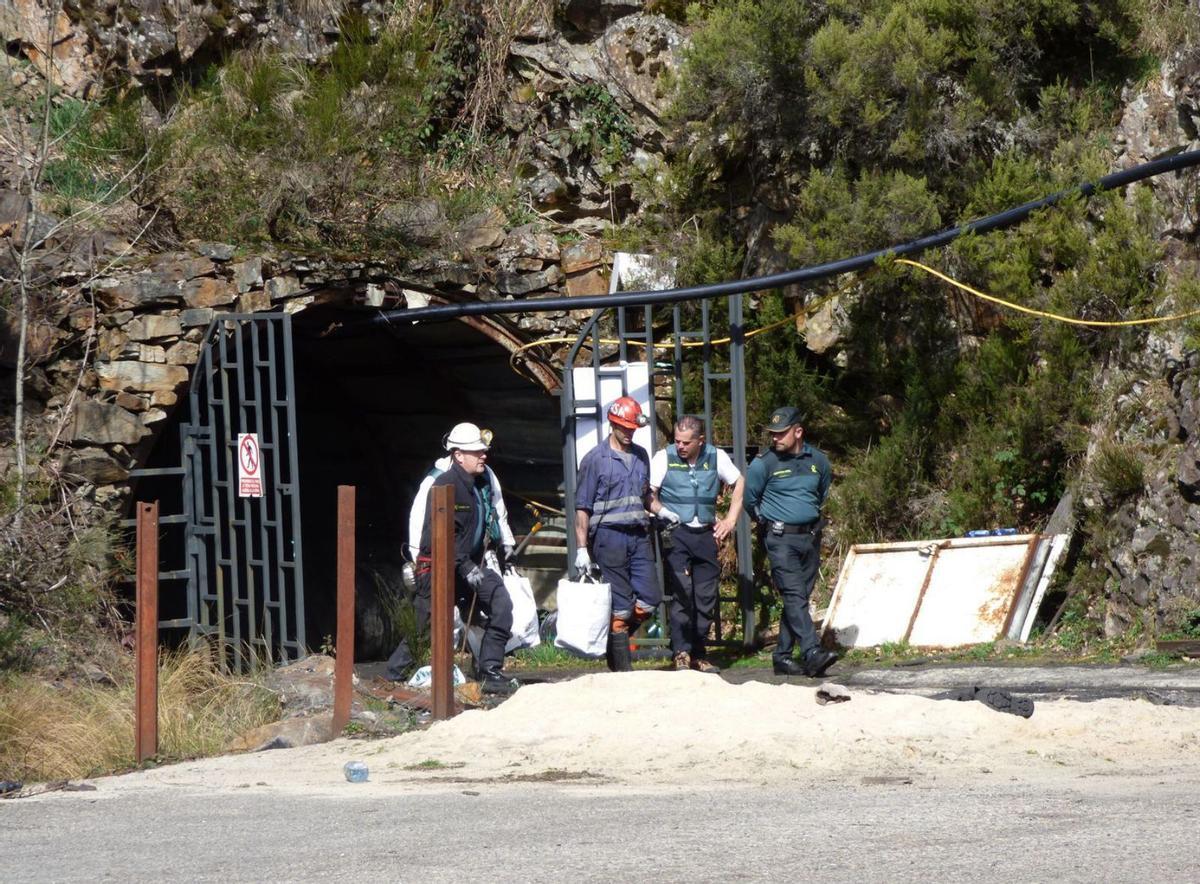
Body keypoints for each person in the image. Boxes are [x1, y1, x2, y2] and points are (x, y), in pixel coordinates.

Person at [385, 422, 518, 695]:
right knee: (424, 628)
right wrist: (466, 566)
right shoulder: (444, 485)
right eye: (477, 451)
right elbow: (440, 537)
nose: (483, 455)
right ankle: (391, 678)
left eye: (483, 451)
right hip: (438, 569)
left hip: (469, 567)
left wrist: (504, 542)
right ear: (458, 455)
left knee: (501, 602)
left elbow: (494, 513)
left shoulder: (481, 483)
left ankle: (489, 670)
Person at [743, 407, 838, 678]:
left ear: (798, 432)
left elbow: (821, 492)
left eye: (781, 433)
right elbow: (750, 500)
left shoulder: (818, 460)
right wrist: (767, 524)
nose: (775, 438)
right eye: (773, 434)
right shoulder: (764, 464)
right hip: (780, 539)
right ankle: (812, 651)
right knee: (794, 594)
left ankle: (782, 656)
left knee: (797, 598)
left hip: (810, 537)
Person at [648, 415, 744, 674]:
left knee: (705, 596)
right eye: (677, 441)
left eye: (686, 442)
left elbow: (739, 482)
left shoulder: (715, 456)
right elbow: (649, 493)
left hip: (705, 534)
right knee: (682, 593)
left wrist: (730, 520)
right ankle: (681, 652)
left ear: (700, 441)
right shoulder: (664, 457)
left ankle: (699, 653)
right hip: (676, 533)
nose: (680, 446)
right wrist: (662, 511)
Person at [573, 395, 660, 672]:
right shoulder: (595, 460)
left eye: (633, 429)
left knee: (650, 600)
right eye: (624, 428)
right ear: (612, 424)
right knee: (621, 607)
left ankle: (613, 639)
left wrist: (664, 511)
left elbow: (645, 496)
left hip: (638, 535)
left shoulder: (641, 456)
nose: (629, 433)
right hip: (608, 538)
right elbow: (582, 508)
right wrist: (582, 549)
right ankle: (622, 671)